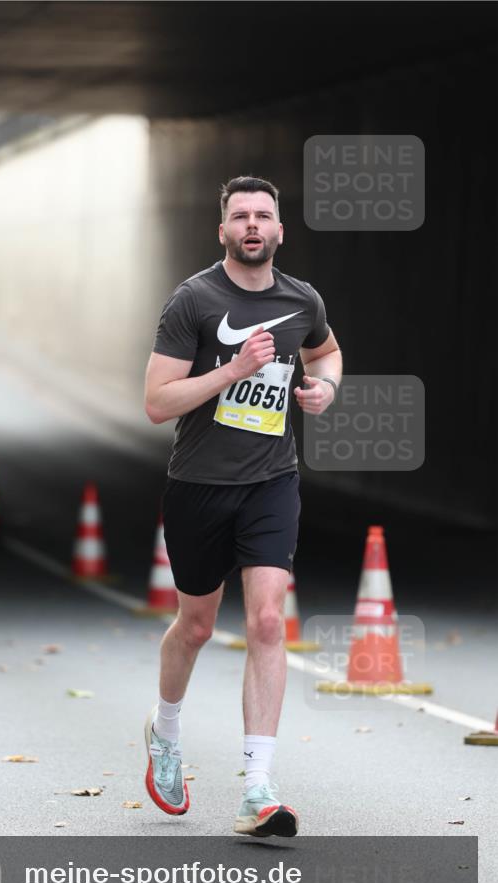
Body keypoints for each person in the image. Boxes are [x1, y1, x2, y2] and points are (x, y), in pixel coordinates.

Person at [143, 176, 342, 837]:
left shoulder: (300, 299)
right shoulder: (194, 300)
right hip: (198, 485)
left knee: (265, 623)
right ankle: (164, 733)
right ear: (222, 231)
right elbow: (156, 403)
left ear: (280, 231)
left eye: (264, 215)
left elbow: (326, 351)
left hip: (270, 482)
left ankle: (258, 786)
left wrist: (325, 391)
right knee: (195, 627)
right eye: (240, 216)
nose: (252, 225)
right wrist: (231, 370)